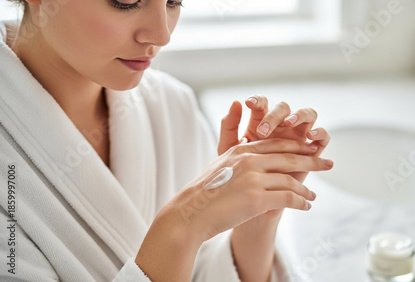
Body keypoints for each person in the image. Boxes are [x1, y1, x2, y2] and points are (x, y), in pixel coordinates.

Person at [0, 0, 332, 281]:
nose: (162, 34)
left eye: (173, 0)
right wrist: (181, 226)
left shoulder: (173, 106)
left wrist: (256, 221)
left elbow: (203, 272)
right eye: (126, 1)